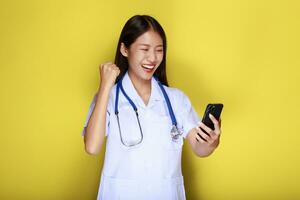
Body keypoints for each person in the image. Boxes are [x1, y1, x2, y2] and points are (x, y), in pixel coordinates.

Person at [81, 15, 222, 200]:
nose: (153, 58)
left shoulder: (176, 99)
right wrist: (106, 86)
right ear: (124, 49)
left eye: (159, 50)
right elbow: (92, 147)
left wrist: (212, 141)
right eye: (144, 49)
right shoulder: (108, 97)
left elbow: (200, 149)